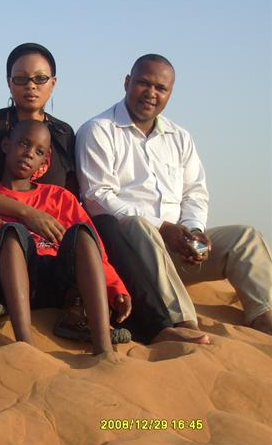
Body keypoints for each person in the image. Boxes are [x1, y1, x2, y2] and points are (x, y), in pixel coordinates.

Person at [0, 43, 208, 346]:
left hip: (48, 251)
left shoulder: (65, 135)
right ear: (8, 82)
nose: (30, 86)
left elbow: (74, 201)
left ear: (53, 83)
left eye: (40, 79)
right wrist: (27, 213)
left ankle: (154, 325)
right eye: (21, 79)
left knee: (105, 225)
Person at [76, 53, 272, 336]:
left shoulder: (179, 137)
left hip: (176, 247)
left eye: (161, 88)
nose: (151, 93)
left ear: (170, 93)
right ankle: (183, 323)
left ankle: (263, 315)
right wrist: (162, 228)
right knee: (138, 225)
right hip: (132, 253)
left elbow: (195, 192)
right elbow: (97, 196)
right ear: (127, 82)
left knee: (246, 237)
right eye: (144, 83)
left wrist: (193, 230)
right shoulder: (99, 130)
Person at [0, 120, 129, 356]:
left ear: (45, 161)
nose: (28, 154)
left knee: (83, 234)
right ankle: (25, 345)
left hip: (62, 285)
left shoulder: (60, 197)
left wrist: (115, 287)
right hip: (15, 284)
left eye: (38, 151)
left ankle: (103, 348)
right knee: (12, 232)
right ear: (5, 145)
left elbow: (96, 251)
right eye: (23, 143)